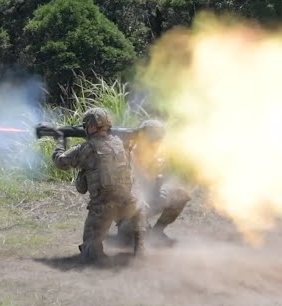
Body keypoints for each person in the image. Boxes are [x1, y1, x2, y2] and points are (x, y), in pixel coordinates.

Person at [53, 107, 145, 262]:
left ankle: (98, 257)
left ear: (90, 127)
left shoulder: (87, 148)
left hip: (103, 207)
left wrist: (60, 140)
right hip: (129, 205)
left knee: (90, 253)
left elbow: (60, 162)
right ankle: (138, 247)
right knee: (134, 215)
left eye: (86, 126)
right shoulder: (120, 143)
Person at [125, 119, 191, 244]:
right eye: (153, 139)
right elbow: (125, 188)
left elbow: (163, 178)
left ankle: (157, 232)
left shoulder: (158, 155)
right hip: (130, 205)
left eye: (159, 139)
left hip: (151, 197)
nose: (157, 143)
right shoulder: (128, 155)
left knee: (180, 194)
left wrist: (164, 190)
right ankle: (132, 231)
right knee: (128, 238)